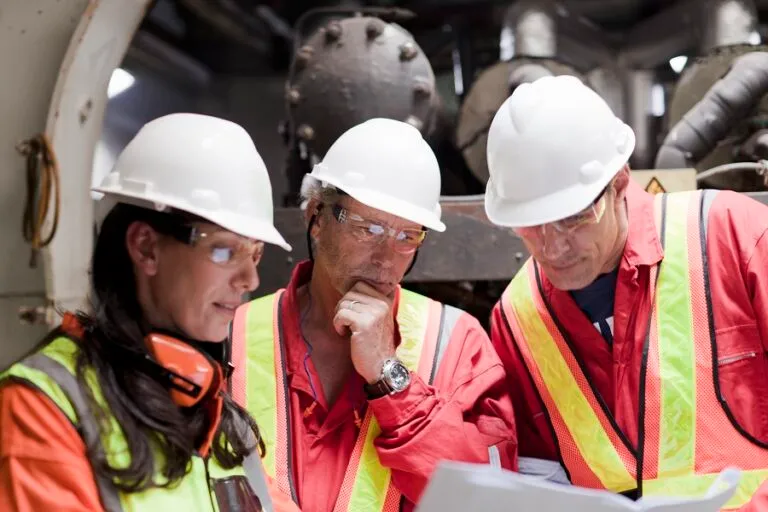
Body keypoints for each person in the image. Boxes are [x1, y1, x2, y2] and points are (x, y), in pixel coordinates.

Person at [485, 74, 768, 510]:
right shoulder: (516, 319)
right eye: (530, 224)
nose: (553, 247)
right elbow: (536, 479)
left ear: (619, 182)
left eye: (573, 217)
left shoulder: (733, 236)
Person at [0, 113, 301, 512]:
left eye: (256, 254)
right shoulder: (43, 408)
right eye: (225, 250)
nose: (250, 278)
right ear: (145, 247)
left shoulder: (221, 422)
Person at [231, 118, 518, 512]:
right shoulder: (233, 335)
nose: (385, 259)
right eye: (368, 229)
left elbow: (488, 501)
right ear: (316, 217)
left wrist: (390, 377)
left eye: (406, 236)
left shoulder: (457, 343)